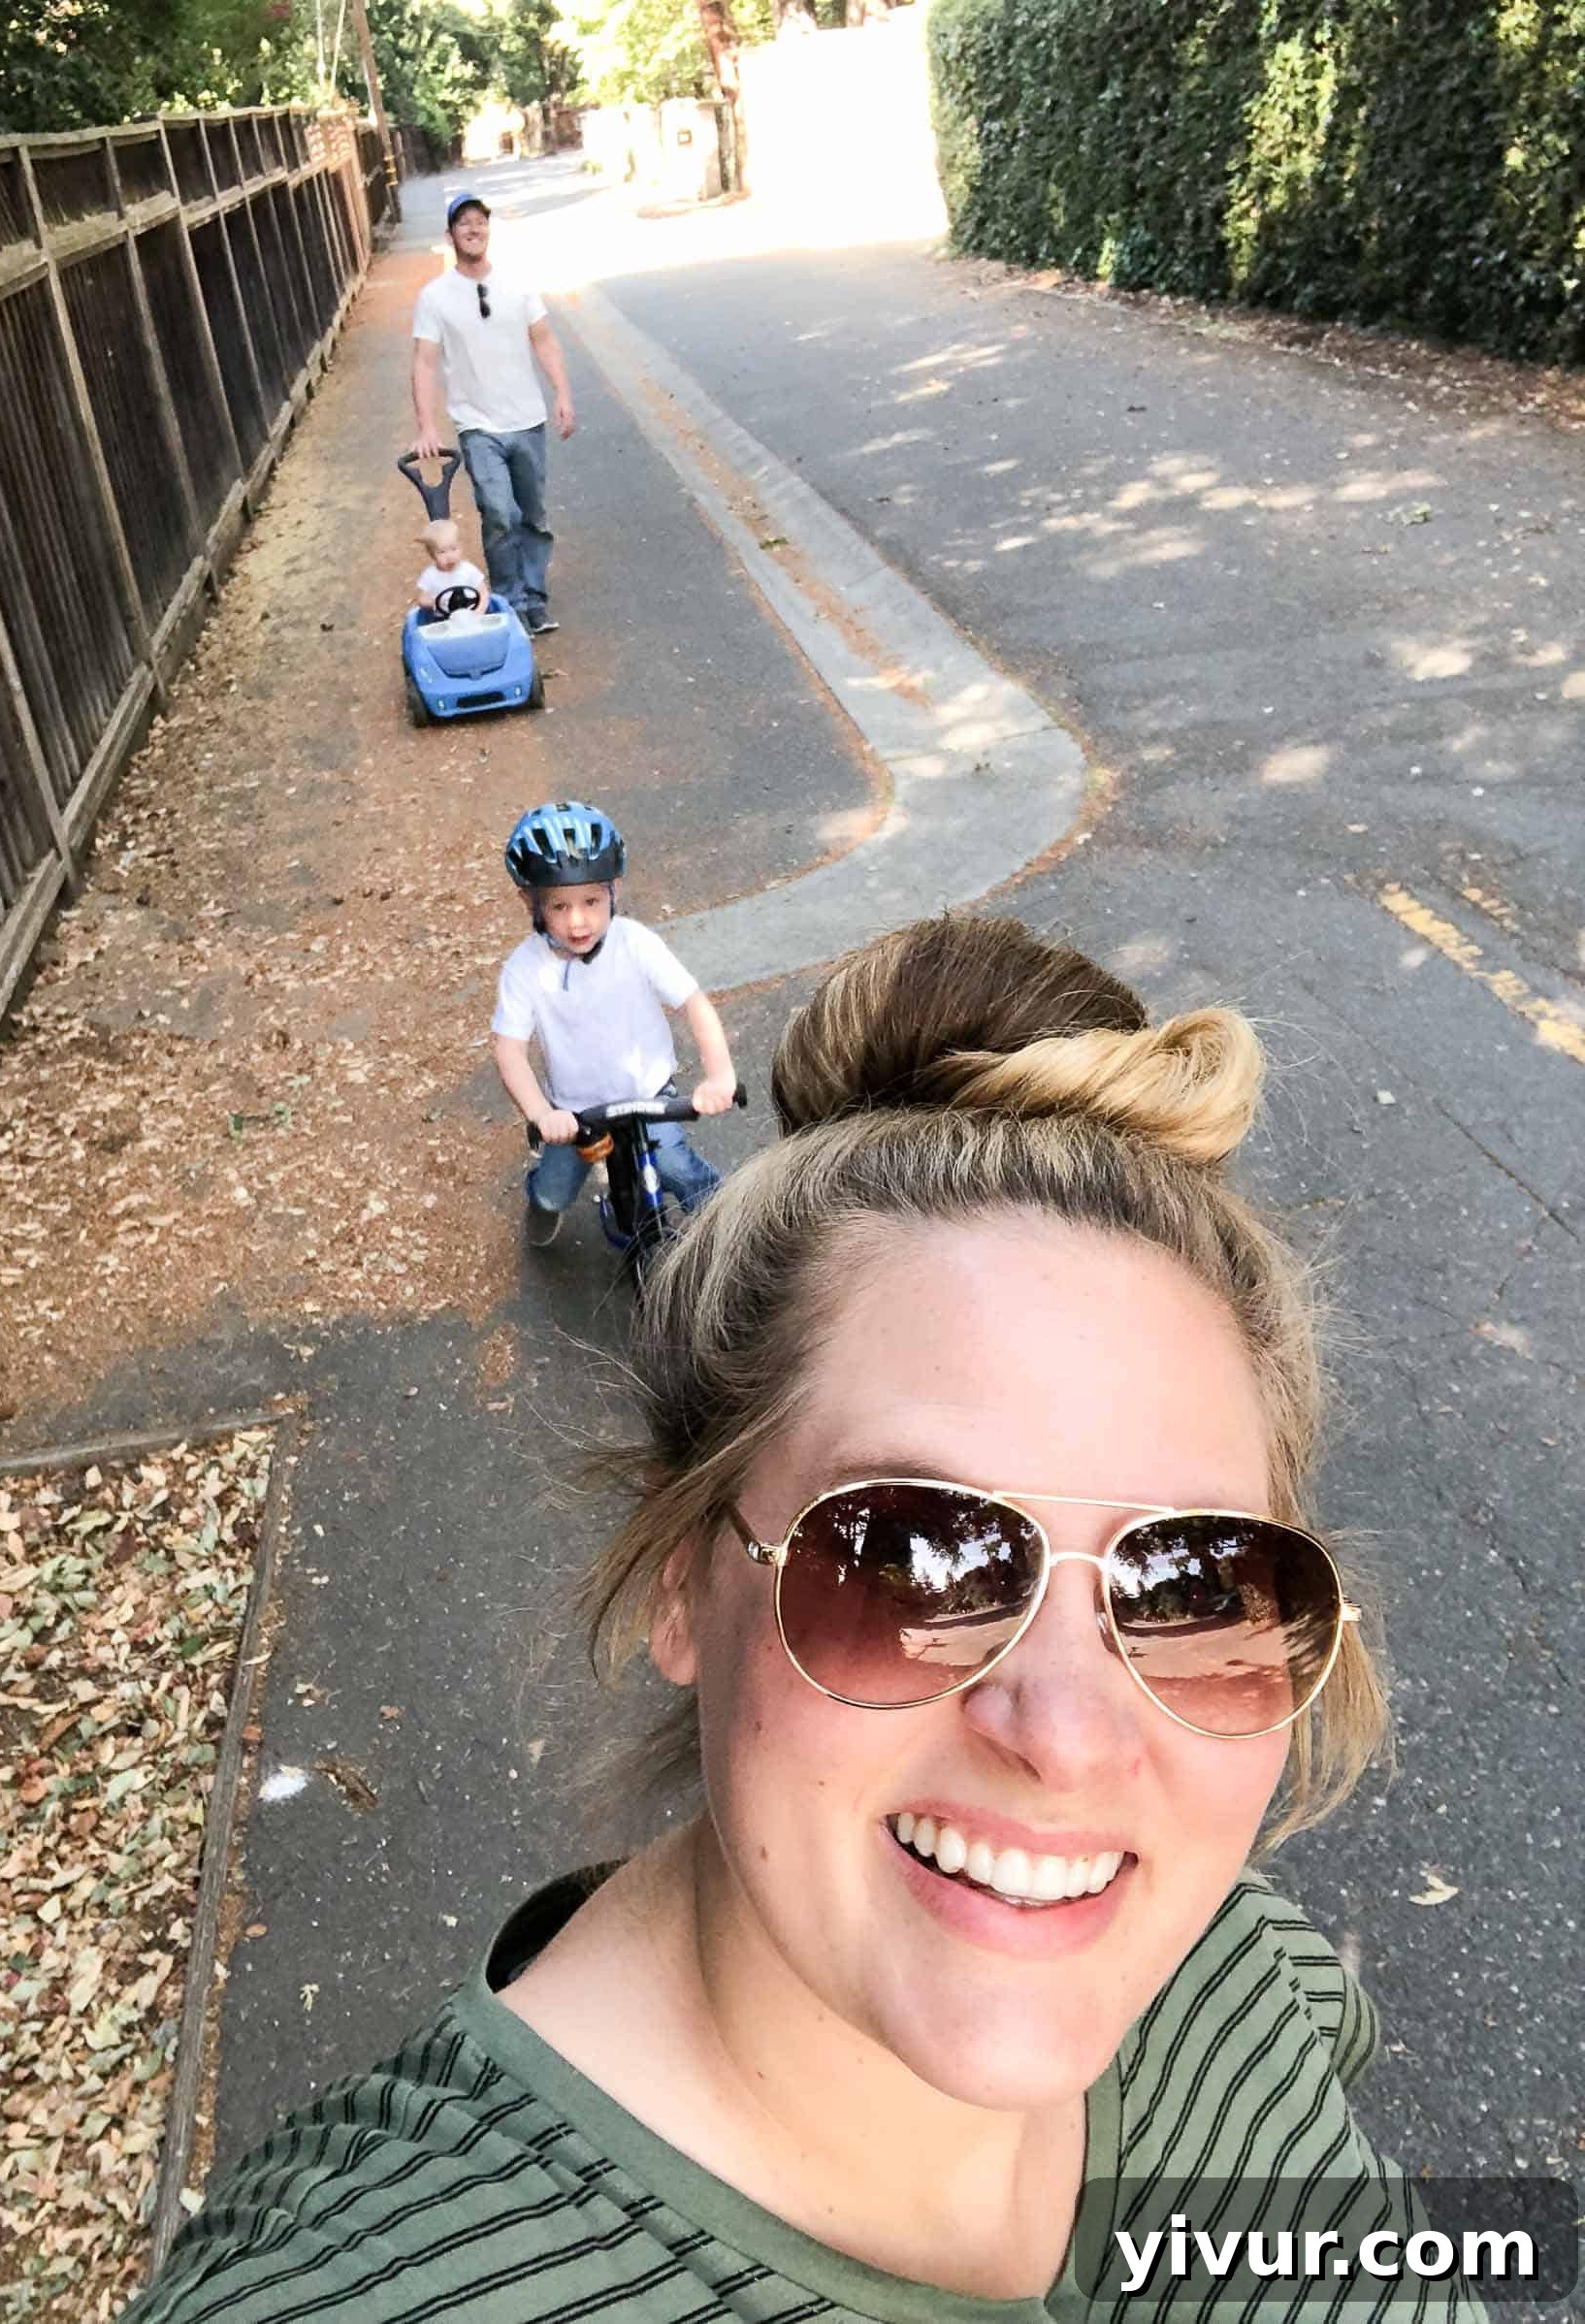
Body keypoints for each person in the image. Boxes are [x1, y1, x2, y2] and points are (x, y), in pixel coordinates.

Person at [125, 914, 1486, 2323]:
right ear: (679, 1576)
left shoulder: (1232, 1974)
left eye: (1197, 1584)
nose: (1072, 1740)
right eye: (906, 1562)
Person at [491, 800, 735, 1247]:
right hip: (577, 1111)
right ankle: (541, 1201)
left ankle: (736, 1228)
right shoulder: (524, 969)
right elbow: (509, 1050)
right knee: (552, 1192)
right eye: (559, 906)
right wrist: (542, 1114)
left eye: (591, 901)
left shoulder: (635, 943)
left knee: (680, 1170)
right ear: (530, 902)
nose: (578, 920)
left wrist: (719, 1075)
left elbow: (694, 1004)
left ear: (613, 890)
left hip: (648, 1095)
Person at [411, 189, 574, 638]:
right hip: (477, 425)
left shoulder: (517, 286)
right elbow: (424, 360)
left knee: (534, 516)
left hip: (527, 419)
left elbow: (544, 339)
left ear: (487, 229)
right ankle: (509, 599)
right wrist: (426, 424)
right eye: (463, 223)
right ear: (450, 235)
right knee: (499, 512)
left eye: (479, 221)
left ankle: (535, 599)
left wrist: (562, 393)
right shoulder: (435, 297)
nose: (473, 228)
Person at [414, 516, 487, 617]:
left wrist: (479, 612)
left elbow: (483, 593)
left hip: (472, 616)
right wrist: (433, 602)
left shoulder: (469, 570)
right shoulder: (430, 575)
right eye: (442, 552)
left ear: (461, 547)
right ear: (432, 555)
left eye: (453, 549)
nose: (449, 557)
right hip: (444, 621)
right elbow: (422, 599)